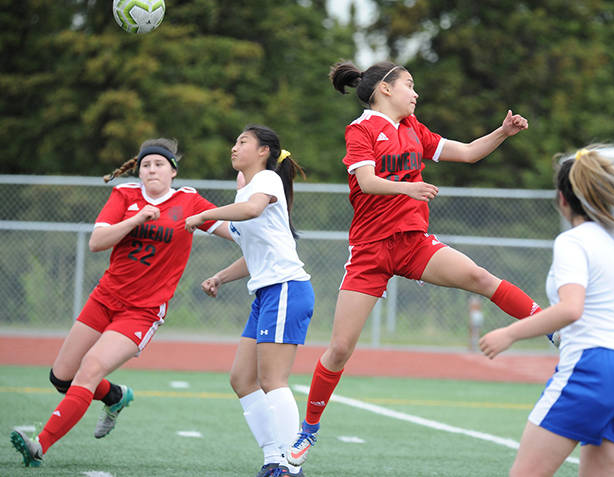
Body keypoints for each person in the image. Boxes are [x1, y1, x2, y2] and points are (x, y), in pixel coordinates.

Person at [286, 60, 543, 467]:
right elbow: (367, 181)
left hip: (412, 243)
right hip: (369, 251)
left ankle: (552, 328)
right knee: (339, 348)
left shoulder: (413, 128)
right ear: (385, 89)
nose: (415, 93)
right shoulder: (361, 130)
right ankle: (308, 431)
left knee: (479, 275)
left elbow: (469, 153)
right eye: (409, 85)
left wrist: (503, 132)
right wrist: (410, 187)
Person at [10, 138, 232, 467]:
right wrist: (135, 220)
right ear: (138, 170)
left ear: (173, 171)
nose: (152, 169)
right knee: (61, 378)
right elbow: (97, 242)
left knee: (90, 368)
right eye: (146, 164)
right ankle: (114, 396)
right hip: (105, 298)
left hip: (142, 311)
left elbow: (233, 231)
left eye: (159, 164)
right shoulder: (125, 195)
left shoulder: (189, 202)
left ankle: (39, 446)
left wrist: (263, 219)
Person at [478, 146, 614, 477]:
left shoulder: (573, 241)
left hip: (594, 367)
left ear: (563, 199)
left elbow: (571, 309)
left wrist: (509, 333)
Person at [185, 125, 313, 477]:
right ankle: (273, 458)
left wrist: (206, 214)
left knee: (273, 380)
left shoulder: (267, 182)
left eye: (243, 142)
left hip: (286, 287)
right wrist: (220, 277)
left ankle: (291, 465)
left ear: (264, 152)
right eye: (235, 141)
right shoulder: (245, 196)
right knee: (242, 379)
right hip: (266, 292)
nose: (234, 147)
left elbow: (253, 210)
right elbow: (252, 253)